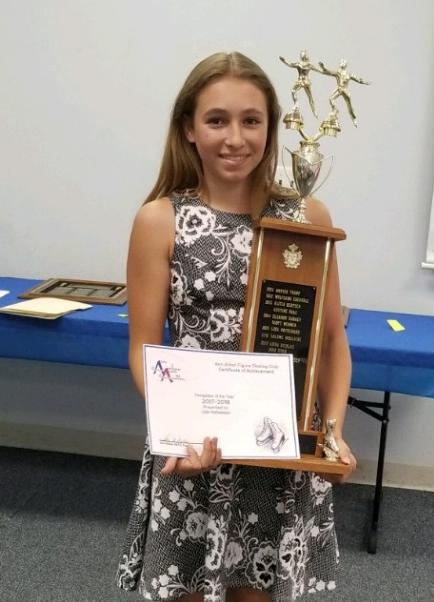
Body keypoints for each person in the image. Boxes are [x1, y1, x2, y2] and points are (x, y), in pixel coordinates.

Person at [116, 51, 356, 602]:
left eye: (251, 120)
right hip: (198, 446)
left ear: (270, 128)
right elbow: (144, 348)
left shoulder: (307, 218)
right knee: (187, 590)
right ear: (189, 128)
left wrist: (332, 432)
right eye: (216, 120)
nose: (235, 138)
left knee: (257, 593)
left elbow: (330, 340)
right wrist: (178, 430)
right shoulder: (160, 220)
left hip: (281, 448)